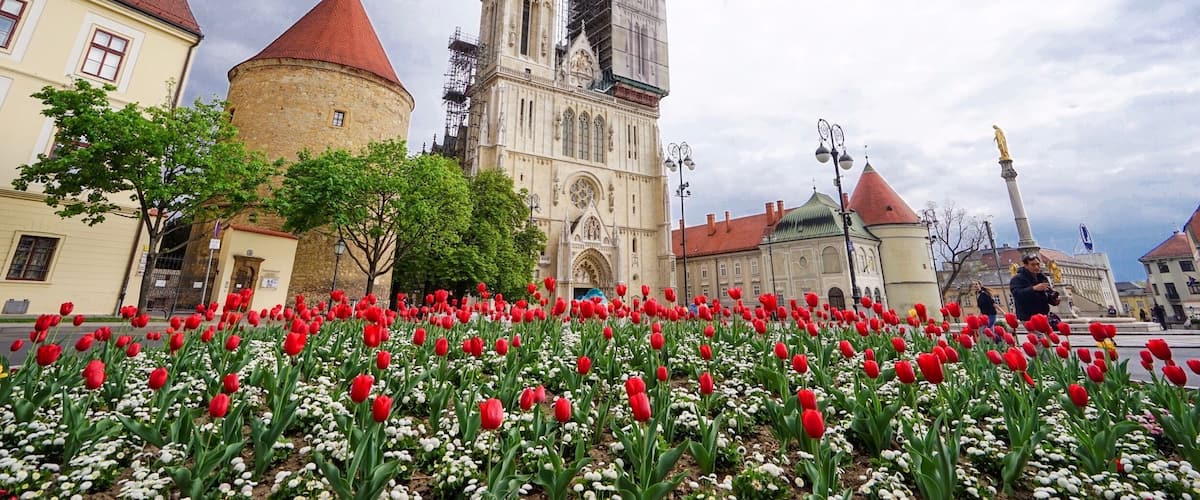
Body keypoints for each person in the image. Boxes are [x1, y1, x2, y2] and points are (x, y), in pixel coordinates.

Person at [1010, 254, 1055, 322]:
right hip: (1028, 317)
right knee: (1036, 333)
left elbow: (1047, 293)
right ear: (1026, 266)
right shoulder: (1017, 278)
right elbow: (1017, 294)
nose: (1036, 267)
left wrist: (1054, 300)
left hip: (1043, 314)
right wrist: (1033, 288)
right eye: (1033, 265)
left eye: (1038, 264)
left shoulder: (1042, 277)